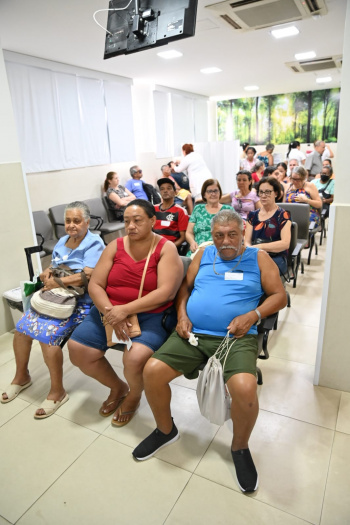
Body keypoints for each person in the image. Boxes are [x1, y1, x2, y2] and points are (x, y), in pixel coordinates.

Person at [132, 209, 287, 494]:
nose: (225, 241)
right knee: (152, 371)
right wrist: (181, 315)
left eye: (232, 234)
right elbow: (184, 289)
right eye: (219, 235)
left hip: (236, 336)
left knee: (244, 387)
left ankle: (240, 447)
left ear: (243, 234)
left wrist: (253, 315)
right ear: (212, 236)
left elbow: (279, 296)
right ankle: (166, 430)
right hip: (193, 334)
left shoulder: (259, 258)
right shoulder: (203, 256)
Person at [68, 200, 183, 426]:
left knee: (135, 358)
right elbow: (96, 285)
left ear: (152, 220)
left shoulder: (165, 248)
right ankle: (117, 387)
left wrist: (126, 310)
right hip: (108, 310)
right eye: (127, 221)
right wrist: (112, 312)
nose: (131, 226)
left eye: (137, 220)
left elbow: (166, 293)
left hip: (149, 315)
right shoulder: (115, 246)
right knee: (78, 350)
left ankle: (133, 395)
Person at [1, 202, 105, 418]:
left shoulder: (94, 243)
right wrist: (46, 273)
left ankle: (57, 392)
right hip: (55, 298)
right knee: (21, 330)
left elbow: (87, 277)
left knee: (47, 336)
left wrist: (58, 282)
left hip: (80, 302)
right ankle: (22, 376)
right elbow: (56, 263)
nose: (72, 225)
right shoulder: (63, 241)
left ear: (87, 222)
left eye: (77, 221)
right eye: (68, 221)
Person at [245, 177, 291, 275]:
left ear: (276, 193)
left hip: (276, 257)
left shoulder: (283, 215)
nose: (263, 196)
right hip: (255, 255)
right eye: (261, 192)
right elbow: (247, 242)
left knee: (259, 273)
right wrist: (252, 250)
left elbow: (285, 244)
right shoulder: (252, 215)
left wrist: (259, 247)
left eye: (267, 192)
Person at [185, 179, 231, 255]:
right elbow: (189, 232)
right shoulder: (198, 209)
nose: (213, 194)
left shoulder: (228, 210)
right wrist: (192, 242)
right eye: (209, 191)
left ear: (220, 193)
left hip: (220, 250)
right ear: (204, 194)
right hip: (197, 250)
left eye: (215, 191)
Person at [154, 178, 189, 249]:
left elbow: (183, 237)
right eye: (162, 189)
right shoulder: (153, 209)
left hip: (170, 247)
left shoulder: (180, 211)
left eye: (169, 188)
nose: (165, 191)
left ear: (175, 192)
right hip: (153, 245)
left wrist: (169, 248)